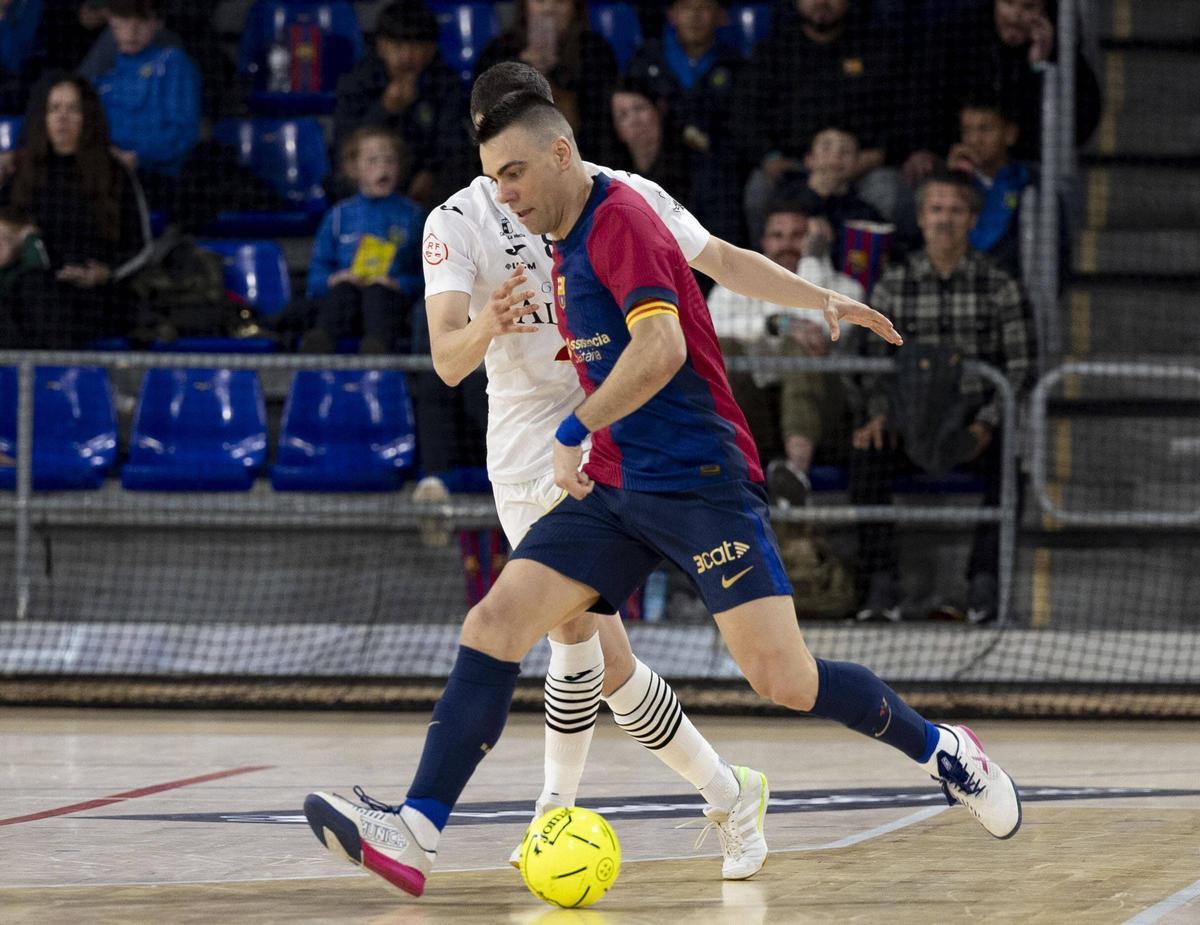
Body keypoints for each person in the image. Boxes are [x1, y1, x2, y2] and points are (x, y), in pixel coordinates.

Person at [302, 90, 1022, 899]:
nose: (505, 195)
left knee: (783, 679)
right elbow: (461, 356)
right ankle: (418, 827)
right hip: (613, 480)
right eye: (493, 180)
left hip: (696, 479)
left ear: (561, 152)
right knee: (498, 622)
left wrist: (577, 429)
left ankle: (943, 749)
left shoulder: (623, 216)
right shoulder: (550, 234)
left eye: (514, 174)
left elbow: (666, 342)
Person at [850, 171, 1035, 624]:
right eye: (936, 209)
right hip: (906, 420)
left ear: (973, 219)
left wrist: (987, 423)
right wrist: (878, 414)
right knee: (866, 458)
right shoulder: (894, 285)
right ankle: (881, 585)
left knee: (1010, 467)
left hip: (972, 425)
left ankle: (983, 587)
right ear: (921, 218)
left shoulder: (999, 284)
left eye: (955, 210)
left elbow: (1020, 366)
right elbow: (872, 361)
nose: (945, 219)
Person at [707, 200, 864, 506]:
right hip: (758, 415)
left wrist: (812, 260)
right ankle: (726, 467)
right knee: (724, 348)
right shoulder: (734, 285)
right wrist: (776, 324)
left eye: (798, 235)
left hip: (827, 418)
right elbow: (711, 326)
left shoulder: (847, 289)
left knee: (800, 346)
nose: (786, 244)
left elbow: (819, 330)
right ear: (764, 242)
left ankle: (796, 473)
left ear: (816, 240)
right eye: (778, 236)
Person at [2, 75, 151, 348]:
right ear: (43, 117)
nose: (62, 118)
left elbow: (141, 246)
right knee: (28, 295)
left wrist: (107, 273)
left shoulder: (114, 173)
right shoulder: (22, 172)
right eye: (54, 109)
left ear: (88, 116)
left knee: (36, 302)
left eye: (73, 109)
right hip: (33, 287)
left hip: (97, 294)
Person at [296, 127, 423, 355]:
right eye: (373, 161)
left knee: (377, 292)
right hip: (345, 305)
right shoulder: (338, 216)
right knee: (345, 290)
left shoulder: (414, 216)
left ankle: (376, 351)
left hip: (390, 307)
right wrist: (335, 279)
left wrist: (398, 284)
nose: (383, 168)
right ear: (353, 168)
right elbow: (315, 278)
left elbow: (427, 277)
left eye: (390, 161)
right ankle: (318, 346)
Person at [625, 0, 744, 243]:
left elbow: (742, 128)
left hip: (714, 166)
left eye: (704, 8)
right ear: (672, 14)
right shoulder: (647, 60)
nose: (695, 16)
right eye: (686, 7)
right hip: (658, 162)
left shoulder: (736, 65)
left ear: (721, 16)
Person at [333, 1, 469, 208]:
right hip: (373, 169)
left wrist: (429, 173)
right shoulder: (358, 80)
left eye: (415, 46)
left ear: (431, 49)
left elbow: (452, 141)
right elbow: (346, 143)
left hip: (426, 176)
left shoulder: (445, 81)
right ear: (381, 46)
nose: (406, 56)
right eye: (397, 46)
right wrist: (385, 109)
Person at [475, 0, 619, 166]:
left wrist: (556, 73)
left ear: (575, 7)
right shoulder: (499, 51)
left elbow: (601, 123)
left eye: (560, 2)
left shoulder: (595, 51)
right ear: (525, 6)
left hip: (584, 160)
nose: (549, 9)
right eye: (540, 1)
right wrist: (525, 67)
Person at [92, 0, 201, 207]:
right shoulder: (103, 80)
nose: (131, 30)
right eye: (124, 20)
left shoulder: (172, 64)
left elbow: (183, 134)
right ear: (111, 21)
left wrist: (138, 156)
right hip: (108, 175)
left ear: (156, 23)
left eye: (141, 20)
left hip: (156, 180)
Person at [947, 98, 1032, 279]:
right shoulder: (950, 181)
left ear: (1010, 134)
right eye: (967, 130)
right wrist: (952, 181)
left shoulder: (1030, 185)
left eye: (985, 129)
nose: (974, 140)